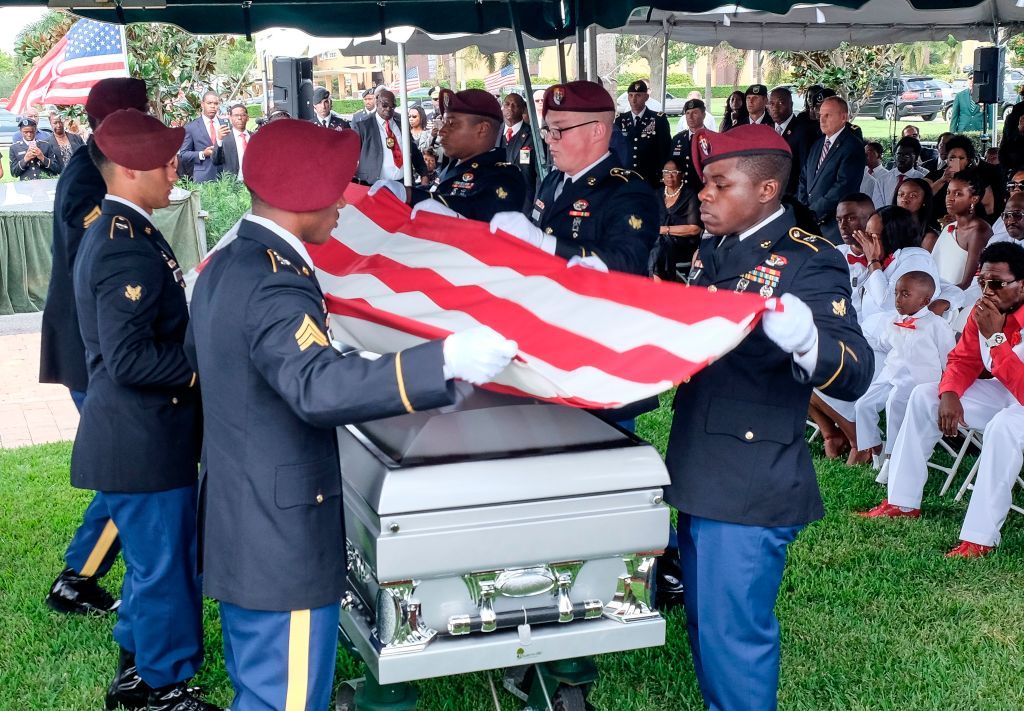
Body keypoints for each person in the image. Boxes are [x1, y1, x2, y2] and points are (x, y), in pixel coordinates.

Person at [187, 117, 515, 710]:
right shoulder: (271, 283)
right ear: (303, 194)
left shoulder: (233, 263)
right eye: (335, 187)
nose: (343, 200)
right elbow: (315, 387)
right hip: (278, 538)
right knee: (282, 700)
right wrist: (441, 360)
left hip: (245, 520)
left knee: (259, 686)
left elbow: (250, 363)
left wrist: (343, 356)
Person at [668, 124, 873, 711]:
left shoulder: (811, 260)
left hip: (750, 480)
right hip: (702, 463)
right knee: (707, 627)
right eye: (704, 181)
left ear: (765, 190)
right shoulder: (718, 247)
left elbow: (856, 367)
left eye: (717, 183)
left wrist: (809, 342)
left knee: (734, 639)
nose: (702, 193)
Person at [73, 108, 217, 711]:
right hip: (143, 440)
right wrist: (204, 369)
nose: (174, 169)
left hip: (141, 437)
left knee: (151, 566)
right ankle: (161, 688)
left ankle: (138, 664)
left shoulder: (126, 227)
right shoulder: (123, 247)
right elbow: (130, 359)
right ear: (129, 170)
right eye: (164, 161)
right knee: (164, 570)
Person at [40, 79, 150, 629]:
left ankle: (80, 573)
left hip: (94, 344)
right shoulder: (90, 174)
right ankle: (77, 577)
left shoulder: (88, 166)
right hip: (94, 347)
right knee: (128, 470)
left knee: (125, 468)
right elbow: (98, 257)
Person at [859, 242, 1024, 558]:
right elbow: (963, 361)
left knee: (1004, 426)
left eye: (998, 284)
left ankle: (979, 538)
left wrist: (996, 338)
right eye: (982, 282)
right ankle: (902, 502)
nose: (987, 291)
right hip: (1006, 393)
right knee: (925, 395)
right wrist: (949, 393)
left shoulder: (993, 320)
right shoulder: (985, 311)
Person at [489, 80, 658, 276]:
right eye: (548, 130)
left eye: (559, 130)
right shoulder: (552, 181)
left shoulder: (629, 191)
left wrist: (544, 243)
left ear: (597, 131)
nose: (550, 139)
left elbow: (626, 261)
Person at [849, 271, 956, 465]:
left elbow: (949, 360)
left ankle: (893, 457)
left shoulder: (937, 325)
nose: (898, 299)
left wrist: (947, 390)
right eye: (896, 293)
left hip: (918, 379)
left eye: (905, 294)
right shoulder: (894, 320)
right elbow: (883, 343)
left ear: (924, 301)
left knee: (894, 403)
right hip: (891, 372)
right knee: (862, 404)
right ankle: (875, 448)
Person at [375, 88, 525, 222]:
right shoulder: (455, 165)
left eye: (452, 124)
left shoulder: (505, 177)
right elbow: (434, 192)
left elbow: (473, 211)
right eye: (444, 122)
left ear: (482, 129)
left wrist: (409, 195)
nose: (442, 131)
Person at [798, 96, 866, 243]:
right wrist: (803, 209)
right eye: (821, 115)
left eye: (827, 115)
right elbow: (804, 177)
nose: (822, 120)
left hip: (834, 228)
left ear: (843, 117)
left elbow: (842, 187)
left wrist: (812, 212)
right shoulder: (818, 144)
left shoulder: (852, 146)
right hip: (811, 225)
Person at [931, 169, 992, 290]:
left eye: (958, 194)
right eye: (948, 192)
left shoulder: (979, 231)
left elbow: (967, 283)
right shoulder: (950, 227)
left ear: (974, 199)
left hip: (959, 298)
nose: (950, 198)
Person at [352, 89, 426, 185]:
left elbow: (413, 149)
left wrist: (424, 174)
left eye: (392, 107)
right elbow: (351, 156)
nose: (388, 109)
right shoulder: (363, 126)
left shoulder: (401, 123)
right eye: (385, 105)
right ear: (377, 103)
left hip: (403, 183)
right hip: (373, 184)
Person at [649, 157, 701, 281]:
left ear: (682, 175)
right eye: (666, 172)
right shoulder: (656, 193)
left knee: (659, 245)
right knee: (655, 244)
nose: (669, 176)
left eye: (674, 172)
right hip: (660, 243)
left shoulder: (690, 194)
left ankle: (655, 282)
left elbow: (694, 229)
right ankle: (656, 279)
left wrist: (665, 230)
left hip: (682, 244)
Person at [613, 80, 671, 188]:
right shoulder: (620, 120)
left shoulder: (658, 119)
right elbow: (616, 149)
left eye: (638, 95)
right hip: (626, 178)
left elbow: (665, 150)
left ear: (646, 97)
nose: (633, 100)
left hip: (650, 177)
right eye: (631, 95)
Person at [768, 86, 814, 197]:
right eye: (772, 104)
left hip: (791, 195)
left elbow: (805, 169)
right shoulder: (767, 129)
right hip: (770, 194)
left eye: (780, 103)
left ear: (791, 105)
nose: (775, 108)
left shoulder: (802, 131)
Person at [499, 92, 540, 210]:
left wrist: (535, 207)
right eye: (507, 104)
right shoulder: (494, 133)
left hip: (524, 204)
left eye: (515, 105)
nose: (510, 108)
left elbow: (539, 176)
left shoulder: (533, 136)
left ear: (523, 109)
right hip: (496, 203)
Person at [179, 90, 228, 182]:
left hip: (225, 177)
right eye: (209, 103)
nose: (213, 106)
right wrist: (203, 154)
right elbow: (183, 154)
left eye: (216, 103)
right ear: (202, 104)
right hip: (203, 178)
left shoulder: (225, 125)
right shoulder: (191, 127)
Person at [667, 98, 707, 194]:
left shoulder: (712, 138)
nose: (690, 117)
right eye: (688, 113)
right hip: (681, 191)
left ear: (704, 115)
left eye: (695, 113)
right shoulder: (678, 139)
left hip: (702, 191)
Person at [876, 137, 926, 207]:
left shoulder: (922, 180)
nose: (901, 158)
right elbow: (877, 207)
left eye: (906, 155)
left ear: (916, 158)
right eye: (899, 154)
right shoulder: (882, 179)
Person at [895, 177, 940, 247]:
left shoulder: (929, 238)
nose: (904, 199)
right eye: (901, 194)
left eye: (913, 196)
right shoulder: (886, 226)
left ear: (924, 200)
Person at [217, 103, 251, 180]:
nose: (239, 118)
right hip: (233, 184)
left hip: (254, 182)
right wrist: (219, 141)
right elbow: (216, 160)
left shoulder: (255, 137)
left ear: (247, 118)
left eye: (243, 115)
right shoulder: (224, 138)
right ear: (230, 118)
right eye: (236, 115)